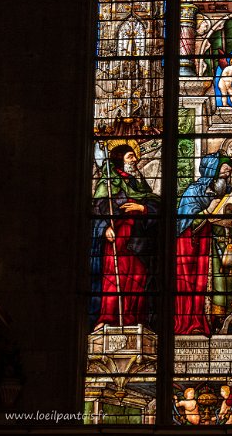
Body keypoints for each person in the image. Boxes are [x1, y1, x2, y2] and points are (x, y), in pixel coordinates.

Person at [90, 142, 159, 331]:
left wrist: (142, 207)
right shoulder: (109, 181)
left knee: (138, 278)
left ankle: (134, 319)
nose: (135, 160)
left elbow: (154, 203)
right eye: (130, 157)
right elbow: (99, 208)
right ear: (119, 160)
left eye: (134, 156)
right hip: (119, 236)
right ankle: (108, 318)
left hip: (138, 239)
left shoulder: (137, 182)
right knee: (114, 277)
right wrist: (104, 227)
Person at [175, 152, 232, 335]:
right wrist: (207, 211)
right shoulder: (194, 192)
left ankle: (224, 320)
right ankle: (202, 321)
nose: (229, 171)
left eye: (229, 168)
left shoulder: (227, 191)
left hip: (224, 245)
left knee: (227, 283)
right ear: (213, 169)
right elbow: (185, 224)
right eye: (225, 167)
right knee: (210, 284)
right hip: (202, 248)